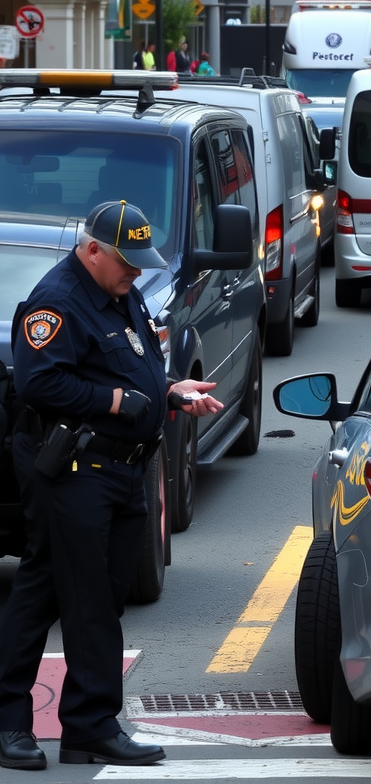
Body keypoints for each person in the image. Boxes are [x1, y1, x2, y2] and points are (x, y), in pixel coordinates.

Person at [0, 201, 223, 771]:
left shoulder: (119, 292)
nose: (136, 274)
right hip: (78, 468)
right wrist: (117, 401)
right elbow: (37, 380)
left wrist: (170, 390)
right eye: (126, 262)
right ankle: (84, 725)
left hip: (122, 469)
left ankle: (68, 725)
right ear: (92, 249)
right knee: (87, 599)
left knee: (64, 590)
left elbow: (130, 362)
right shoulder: (60, 301)